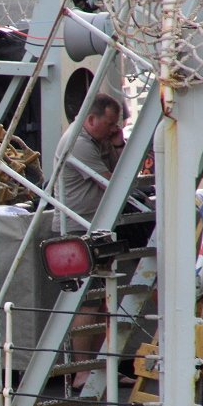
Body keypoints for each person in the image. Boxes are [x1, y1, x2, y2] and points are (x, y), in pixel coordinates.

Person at [51, 92, 127, 389]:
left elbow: (125, 172)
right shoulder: (79, 143)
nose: (113, 128)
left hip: (95, 227)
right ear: (91, 119)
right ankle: (83, 371)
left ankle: (99, 367)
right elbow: (115, 182)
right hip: (77, 230)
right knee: (88, 302)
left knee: (101, 301)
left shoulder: (98, 140)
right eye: (110, 123)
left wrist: (117, 142)